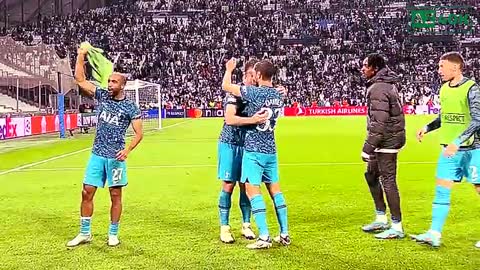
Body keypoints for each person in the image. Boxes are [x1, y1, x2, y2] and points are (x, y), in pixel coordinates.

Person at [67, 47, 143, 247]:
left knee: (115, 195)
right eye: (108, 81)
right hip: (97, 154)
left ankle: (113, 233)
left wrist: (127, 150)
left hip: (115, 157)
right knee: (86, 191)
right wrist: (81, 55)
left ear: (123, 85)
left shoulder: (131, 107)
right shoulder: (102, 95)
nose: (109, 84)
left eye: (114, 81)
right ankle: (85, 233)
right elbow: (81, 80)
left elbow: (139, 133)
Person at [411, 52, 480, 248]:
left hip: (473, 150)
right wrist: (427, 127)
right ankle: (434, 233)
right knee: (441, 191)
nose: (438, 70)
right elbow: (445, 116)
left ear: (455, 68)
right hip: (448, 150)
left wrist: (457, 141)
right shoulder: (443, 89)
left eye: (442, 66)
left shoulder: (472, 89)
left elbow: (477, 120)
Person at [222, 58, 289, 249]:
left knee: (252, 191)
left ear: (258, 75)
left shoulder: (255, 92)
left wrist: (229, 69)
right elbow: (277, 92)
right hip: (271, 150)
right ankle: (284, 234)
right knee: (276, 191)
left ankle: (264, 237)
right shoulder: (278, 95)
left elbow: (226, 86)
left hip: (254, 150)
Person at [217, 59, 268, 243]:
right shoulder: (235, 92)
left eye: (256, 76)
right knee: (229, 184)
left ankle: (246, 225)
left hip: (249, 145)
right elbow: (229, 119)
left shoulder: (255, 94)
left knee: (246, 185)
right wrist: (253, 120)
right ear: (245, 75)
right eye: (252, 76)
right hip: (230, 143)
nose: (255, 79)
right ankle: (225, 227)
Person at [360, 53, 406, 239]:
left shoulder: (378, 88)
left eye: (365, 65)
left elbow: (380, 121)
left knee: (388, 180)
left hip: (387, 140)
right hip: (385, 138)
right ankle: (381, 218)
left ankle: (397, 227)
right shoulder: (382, 84)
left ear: (375, 68)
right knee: (371, 175)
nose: (362, 68)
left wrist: (367, 147)